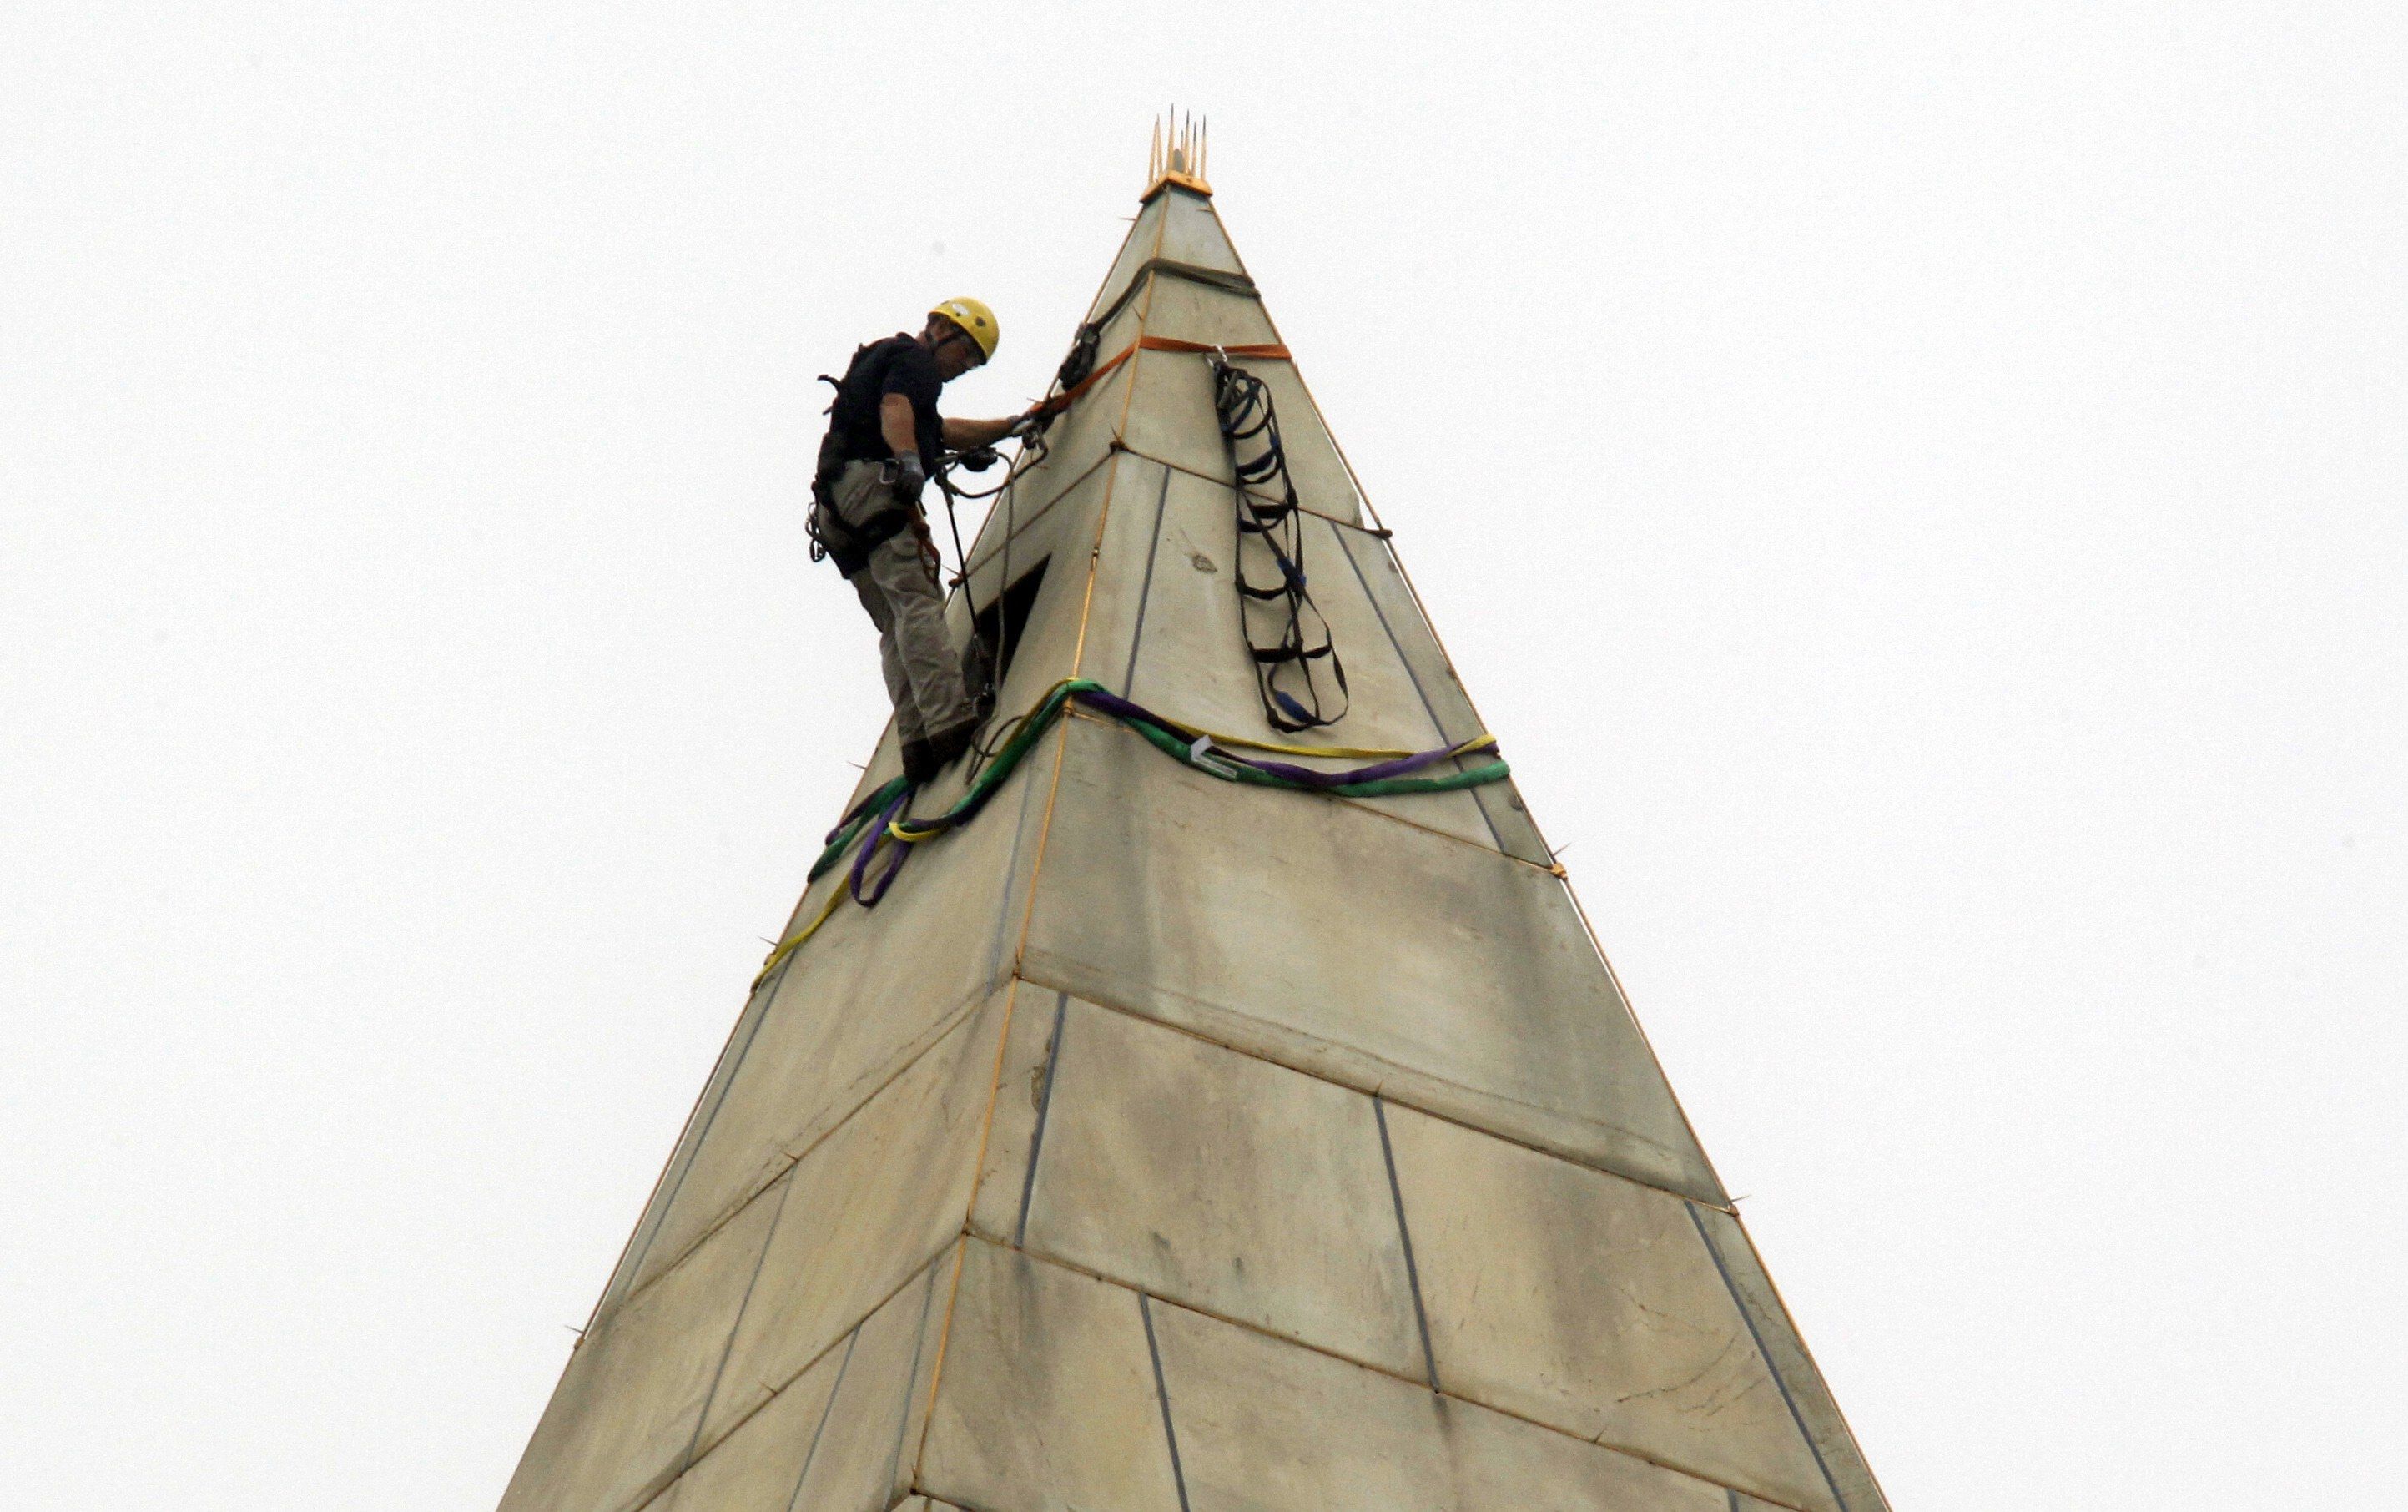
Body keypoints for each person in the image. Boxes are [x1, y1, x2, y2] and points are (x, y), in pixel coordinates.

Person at [811, 298, 1039, 784]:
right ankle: (949, 724)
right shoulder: (915, 362)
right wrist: (910, 460)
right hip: (873, 490)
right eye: (968, 354)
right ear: (941, 330)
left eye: (975, 363)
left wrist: (1012, 427)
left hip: (837, 509)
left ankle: (916, 743)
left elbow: (943, 429)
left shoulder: (887, 363)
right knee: (918, 604)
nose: (965, 368)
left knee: (894, 621)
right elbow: (897, 408)